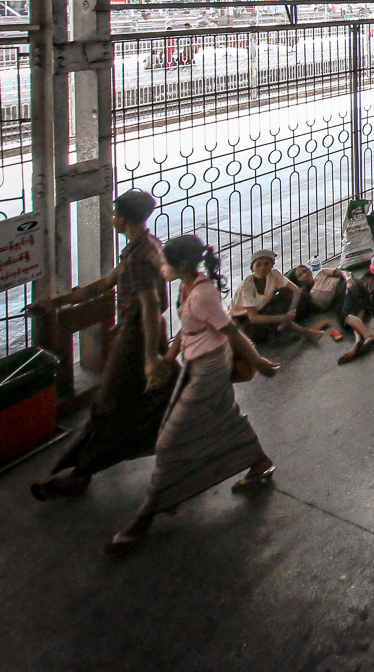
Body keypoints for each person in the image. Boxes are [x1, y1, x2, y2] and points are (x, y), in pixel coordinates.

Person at [104, 236, 277, 554]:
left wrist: (257, 360)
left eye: (165, 263)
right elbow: (188, 330)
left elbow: (231, 331)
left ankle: (145, 516)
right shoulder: (189, 286)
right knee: (226, 418)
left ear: (181, 265)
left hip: (210, 368)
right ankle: (260, 461)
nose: (161, 268)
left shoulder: (202, 294)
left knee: (169, 441)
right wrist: (165, 363)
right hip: (196, 363)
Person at [29, 190, 174, 501]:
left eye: (113, 213)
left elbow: (149, 306)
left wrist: (149, 358)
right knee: (145, 401)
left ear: (122, 218)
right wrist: (55, 303)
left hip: (136, 338)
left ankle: (82, 474)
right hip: (143, 334)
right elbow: (104, 285)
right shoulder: (148, 245)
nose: (111, 218)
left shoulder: (137, 257)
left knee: (109, 407)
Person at [288, 265, 374, 365]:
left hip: (346, 286)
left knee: (345, 314)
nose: (305, 274)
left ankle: (368, 336)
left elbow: (342, 272)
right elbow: (324, 306)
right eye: (300, 275)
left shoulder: (321, 273)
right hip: (343, 299)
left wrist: (349, 279)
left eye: (305, 270)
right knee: (346, 317)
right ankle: (359, 339)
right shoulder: (309, 296)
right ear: (297, 281)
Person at [229, 249, 325, 343]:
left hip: (262, 310)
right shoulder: (247, 286)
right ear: (252, 268)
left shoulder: (274, 274)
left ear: (271, 265)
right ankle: (300, 332)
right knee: (274, 311)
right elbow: (253, 317)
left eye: (267, 264)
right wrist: (283, 317)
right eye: (258, 265)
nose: (262, 268)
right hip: (243, 322)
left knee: (286, 293)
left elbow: (296, 291)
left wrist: (292, 310)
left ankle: (285, 328)